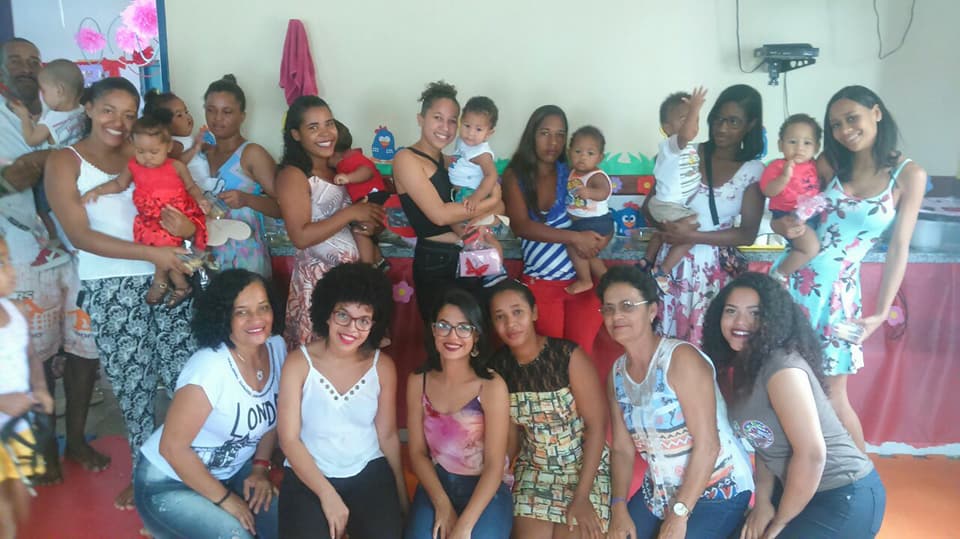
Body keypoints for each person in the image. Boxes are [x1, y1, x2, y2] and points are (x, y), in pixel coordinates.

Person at [45, 77, 197, 510]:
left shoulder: (145, 153)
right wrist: (152, 254)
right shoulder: (65, 162)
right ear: (88, 107)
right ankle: (144, 474)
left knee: (185, 379)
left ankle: (193, 468)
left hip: (169, 274)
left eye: (130, 114)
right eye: (109, 109)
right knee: (134, 387)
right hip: (111, 287)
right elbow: (80, 235)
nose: (120, 121)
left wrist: (186, 231)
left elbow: (182, 206)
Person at [772, 86, 927, 452]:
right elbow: (787, 211)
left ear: (876, 113)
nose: (845, 130)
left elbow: (899, 248)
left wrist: (880, 313)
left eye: (851, 118)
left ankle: (860, 478)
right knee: (782, 384)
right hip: (790, 280)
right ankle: (790, 474)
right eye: (836, 124)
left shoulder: (909, 175)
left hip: (838, 297)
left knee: (832, 394)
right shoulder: (830, 163)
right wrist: (785, 224)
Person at [702, 272, 886, 538]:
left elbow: (812, 455)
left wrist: (780, 522)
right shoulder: (745, 363)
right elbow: (764, 442)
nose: (740, 322)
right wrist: (762, 503)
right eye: (731, 311)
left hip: (842, 495)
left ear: (773, 319)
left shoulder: (782, 369)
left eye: (755, 313)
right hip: (795, 490)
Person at [0, 38, 105, 486]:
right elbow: (14, 177)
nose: (25, 68)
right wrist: (56, 158)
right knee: (34, 354)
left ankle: (77, 440)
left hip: (80, 248)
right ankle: (44, 451)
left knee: (84, 348)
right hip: (22, 254)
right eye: (15, 61)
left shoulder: (64, 112)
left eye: (33, 61)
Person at [599, 266, 753, 539]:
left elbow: (708, 445)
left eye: (627, 306)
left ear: (652, 311)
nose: (616, 316)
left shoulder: (681, 360)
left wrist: (679, 514)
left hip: (717, 488)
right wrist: (618, 506)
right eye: (608, 309)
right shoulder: (617, 374)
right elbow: (622, 448)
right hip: (660, 491)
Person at [134, 269, 283, 539]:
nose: (257, 319)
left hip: (232, 474)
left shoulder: (276, 348)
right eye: (241, 312)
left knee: (294, 527)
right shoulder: (209, 367)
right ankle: (165, 525)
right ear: (223, 316)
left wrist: (260, 468)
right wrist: (226, 500)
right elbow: (172, 449)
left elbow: (271, 416)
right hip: (168, 482)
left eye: (263, 307)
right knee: (236, 535)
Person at [277, 262, 407, 539]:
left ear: (374, 324)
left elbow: (387, 435)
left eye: (364, 320)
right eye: (343, 315)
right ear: (327, 313)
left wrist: (401, 494)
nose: (351, 328)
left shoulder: (382, 366)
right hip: (308, 472)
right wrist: (328, 495)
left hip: (367, 468)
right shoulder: (298, 363)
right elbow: (288, 440)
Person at [488, 279, 611, 538]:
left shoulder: (568, 356)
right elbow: (511, 437)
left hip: (584, 467)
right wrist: (496, 476)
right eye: (500, 317)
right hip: (535, 469)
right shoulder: (497, 368)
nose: (510, 323)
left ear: (534, 312)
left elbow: (597, 427)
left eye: (517, 312)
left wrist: (582, 496)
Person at [643, 84, 765, 345]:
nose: (722, 128)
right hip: (670, 270)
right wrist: (667, 228)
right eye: (718, 119)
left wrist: (692, 236)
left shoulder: (753, 171)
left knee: (706, 348)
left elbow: (747, 233)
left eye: (733, 121)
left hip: (713, 275)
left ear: (750, 124)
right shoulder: (686, 152)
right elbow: (649, 207)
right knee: (666, 347)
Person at [405, 288, 513, 539]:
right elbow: (417, 453)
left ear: (476, 335)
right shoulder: (418, 381)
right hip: (437, 485)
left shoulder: (491, 385)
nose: (452, 336)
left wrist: (464, 527)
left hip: (485, 489)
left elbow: (495, 465)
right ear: (433, 330)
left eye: (464, 328)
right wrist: (442, 505)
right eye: (444, 325)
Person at [276, 96, 383, 346]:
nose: (325, 133)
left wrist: (369, 223)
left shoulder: (339, 170)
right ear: (296, 134)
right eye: (313, 127)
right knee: (317, 360)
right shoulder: (293, 175)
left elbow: (355, 217)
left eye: (329, 124)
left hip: (351, 290)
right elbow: (300, 236)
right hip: (316, 289)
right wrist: (352, 213)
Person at [391, 81, 502, 324]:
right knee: (443, 337)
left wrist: (493, 206)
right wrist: (493, 199)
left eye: (452, 121)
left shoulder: (453, 162)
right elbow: (440, 215)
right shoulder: (406, 159)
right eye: (437, 118)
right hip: (436, 261)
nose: (445, 127)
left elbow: (496, 209)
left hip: (469, 254)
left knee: (475, 333)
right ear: (421, 119)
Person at [500, 105, 604, 354]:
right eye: (545, 133)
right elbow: (521, 226)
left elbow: (597, 215)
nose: (553, 142)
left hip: (581, 285)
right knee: (547, 360)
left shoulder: (574, 174)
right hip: (540, 285)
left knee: (581, 358)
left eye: (560, 134)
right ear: (532, 135)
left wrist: (597, 240)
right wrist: (574, 238)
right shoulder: (515, 176)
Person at [81, 115, 210, 307]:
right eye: (140, 151)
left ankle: (162, 281)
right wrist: (97, 191)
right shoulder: (133, 166)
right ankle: (181, 286)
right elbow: (119, 184)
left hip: (176, 214)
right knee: (161, 249)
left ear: (168, 146)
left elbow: (191, 187)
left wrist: (201, 200)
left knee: (166, 244)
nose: (147, 157)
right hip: (150, 219)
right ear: (132, 145)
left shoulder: (176, 166)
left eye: (154, 152)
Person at [186, 74, 280, 278]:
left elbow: (283, 207)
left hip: (245, 260)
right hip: (205, 262)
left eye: (227, 112)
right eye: (211, 110)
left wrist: (247, 199)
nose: (217, 118)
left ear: (242, 116)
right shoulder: (200, 155)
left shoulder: (252, 154)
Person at [0, 233, 55, 539]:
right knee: (4, 510)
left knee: (20, 498)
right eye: (0, 264)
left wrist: (40, 387)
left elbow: (31, 356)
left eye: (7, 260)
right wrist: (3, 401)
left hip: (17, 428)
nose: (11, 270)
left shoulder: (16, 311)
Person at [641, 87, 707, 293]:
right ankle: (663, 271)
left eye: (695, 119)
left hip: (668, 204)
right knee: (692, 232)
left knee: (662, 232)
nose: (692, 123)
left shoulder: (689, 149)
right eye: (685, 119)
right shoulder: (672, 145)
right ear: (667, 128)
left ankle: (646, 261)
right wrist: (695, 107)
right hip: (668, 204)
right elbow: (686, 133)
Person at [761, 114, 823, 285]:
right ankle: (779, 274)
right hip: (787, 214)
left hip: (810, 214)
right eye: (792, 142)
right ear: (780, 145)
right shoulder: (777, 166)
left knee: (812, 245)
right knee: (810, 247)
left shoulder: (815, 166)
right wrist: (784, 177)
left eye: (807, 143)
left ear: (816, 147)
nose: (799, 148)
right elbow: (768, 191)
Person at [329, 119, 389, 270]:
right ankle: (379, 261)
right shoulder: (348, 158)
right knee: (365, 232)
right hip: (369, 199)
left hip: (373, 197)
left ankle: (367, 268)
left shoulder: (349, 160)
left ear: (334, 153)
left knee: (360, 231)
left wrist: (348, 177)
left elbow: (367, 171)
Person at [563, 125, 614, 295]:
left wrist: (590, 192)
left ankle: (585, 280)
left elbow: (604, 192)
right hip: (583, 223)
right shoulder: (572, 173)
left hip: (596, 222)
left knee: (573, 245)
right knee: (589, 255)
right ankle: (608, 282)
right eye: (578, 151)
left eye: (590, 153)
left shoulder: (596, 176)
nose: (583, 157)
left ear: (600, 157)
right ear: (569, 152)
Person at [9, 59, 84, 148]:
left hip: (51, 156)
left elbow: (31, 141)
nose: (41, 96)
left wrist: (24, 117)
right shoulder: (82, 111)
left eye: (43, 91)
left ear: (59, 91)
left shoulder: (51, 118)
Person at [142, 89, 207, 164]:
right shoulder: (174, 144)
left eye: (186, 112)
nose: (187, 117)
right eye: (179, 115)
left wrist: (206, 145)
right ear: (164, 125)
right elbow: (177, 164)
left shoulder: (188, 138)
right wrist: (195, 148)